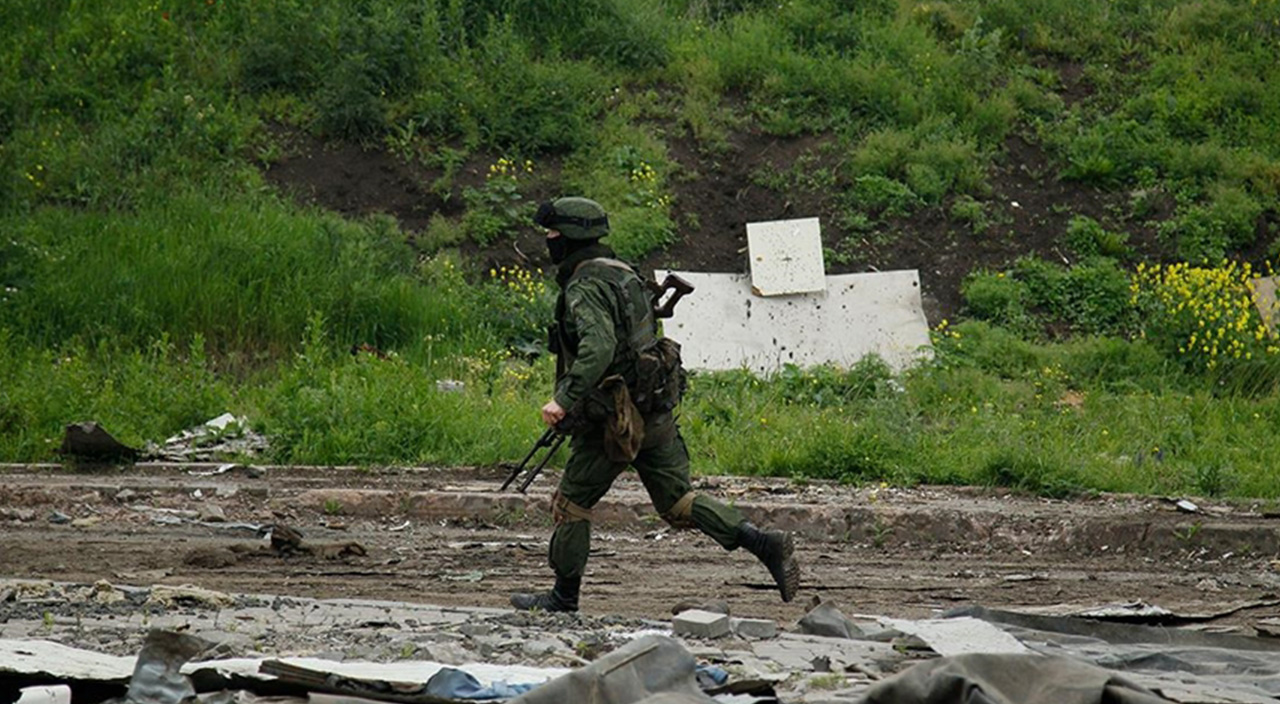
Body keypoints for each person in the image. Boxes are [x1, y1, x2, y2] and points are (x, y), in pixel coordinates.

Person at [509, 196, 802, 613]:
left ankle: (563, 597)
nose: (549, 241)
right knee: (678, 502)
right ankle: (762, 542)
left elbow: (599, 346)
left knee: (572, 502)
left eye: (553, 234)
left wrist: (563, 400)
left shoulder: (586, 285)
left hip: (613, 420)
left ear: (570, 237)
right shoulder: (623, 273)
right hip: (653, 407)